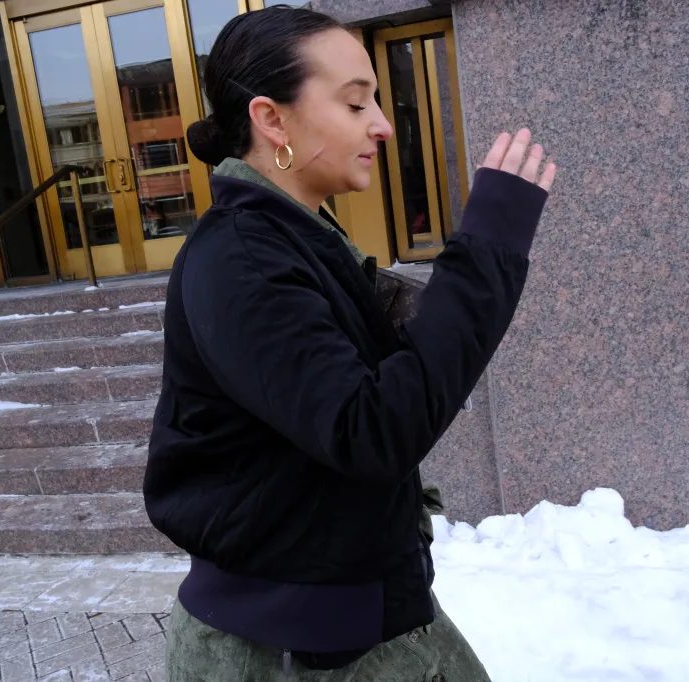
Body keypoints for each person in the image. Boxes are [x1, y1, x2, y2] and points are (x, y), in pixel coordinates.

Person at [144, 5, 556, 681]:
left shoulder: (292, 239)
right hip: (285, 651)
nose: (383, 125)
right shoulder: (244, 259)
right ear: (271, 119)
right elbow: (371, 431)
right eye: (355, 102)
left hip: (352, 621)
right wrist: (486, 255)